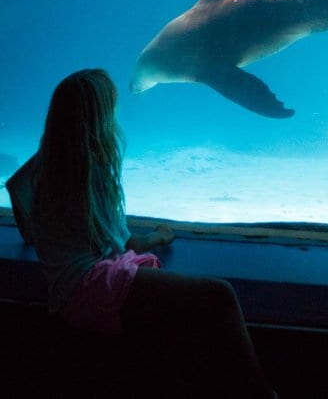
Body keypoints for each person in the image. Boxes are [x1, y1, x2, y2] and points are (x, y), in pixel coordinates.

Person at [7, 69, 276, 398]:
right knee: (220, 294)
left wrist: (38, 232)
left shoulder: (46, 165)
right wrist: (159, 237)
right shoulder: (93, 171)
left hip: (66, 292)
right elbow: (124, 245)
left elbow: (14, 186)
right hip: (93, 287)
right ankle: (262, 394)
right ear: (101, 119)